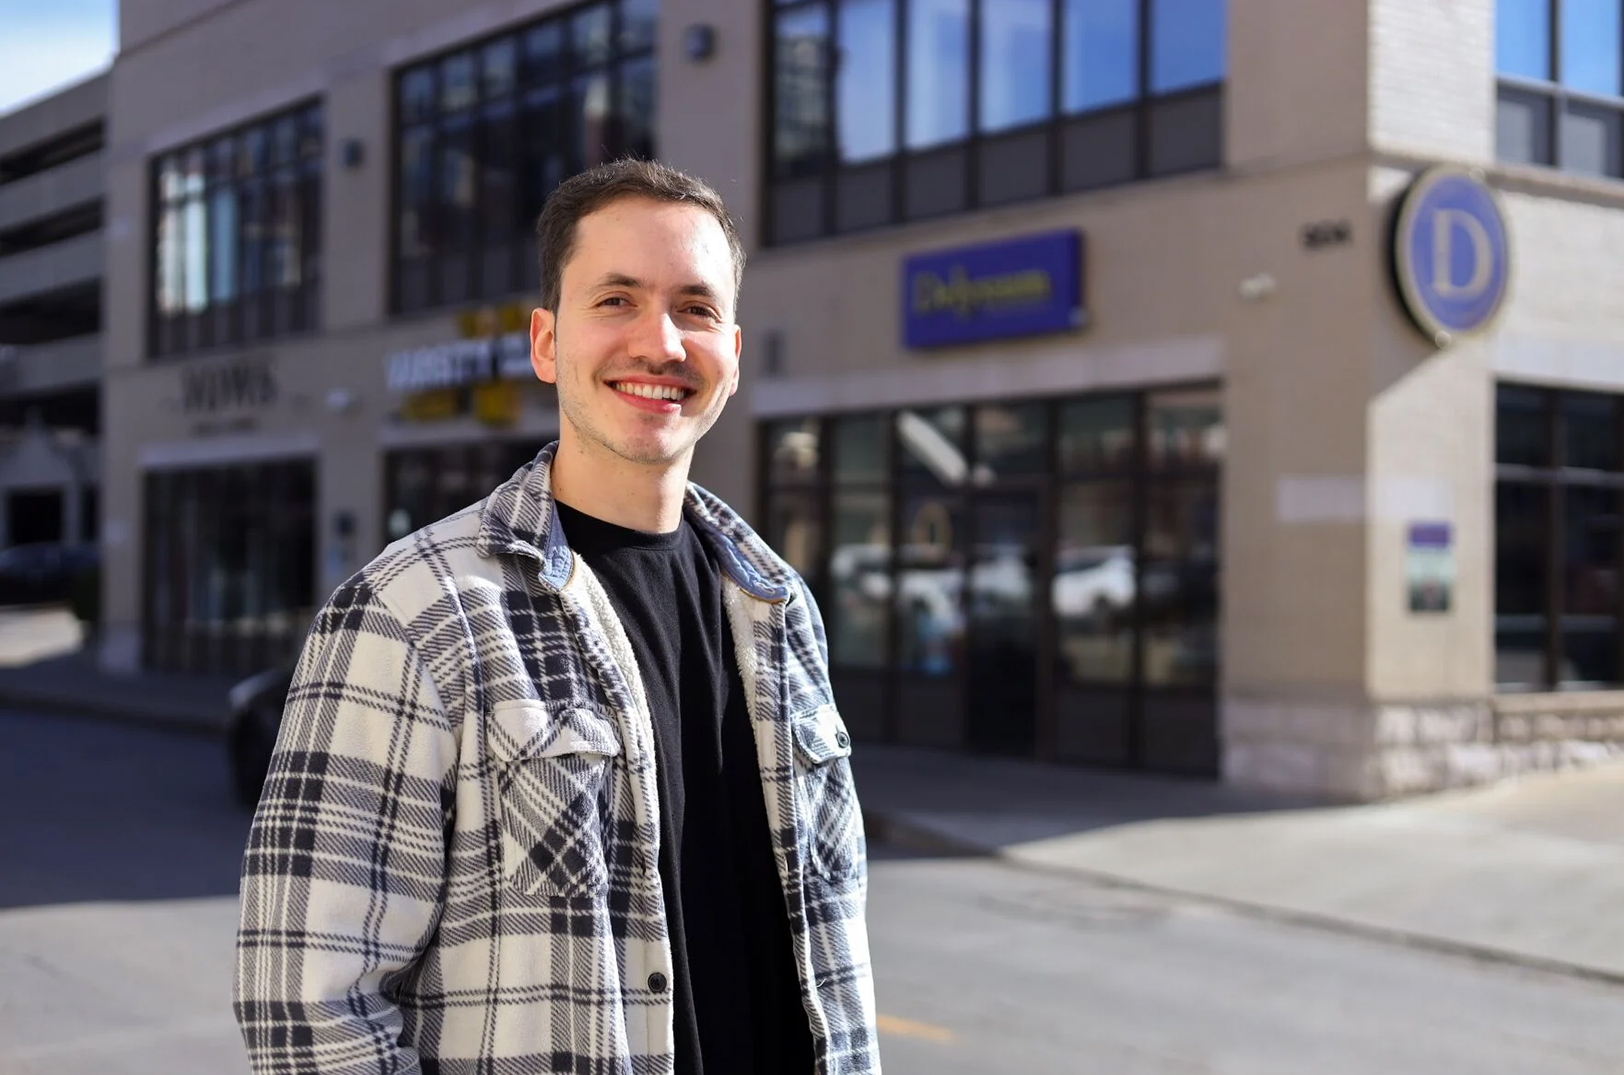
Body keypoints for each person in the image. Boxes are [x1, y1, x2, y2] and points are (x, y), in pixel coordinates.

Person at [234, 159, 879, 1075]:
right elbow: (307, 1006)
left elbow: (831, 950)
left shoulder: (778, 607)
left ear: (731, 351)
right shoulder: (413, 611)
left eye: (694, 308)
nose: (660, 342)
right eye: (616, 300)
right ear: (546, 341)